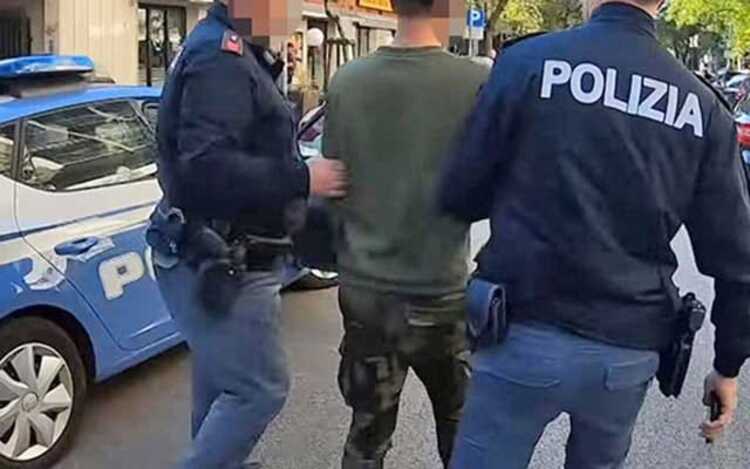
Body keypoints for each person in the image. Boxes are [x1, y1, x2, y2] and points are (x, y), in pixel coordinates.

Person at [439, 1, 750, 468]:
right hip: (625, 352)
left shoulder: (525, 63)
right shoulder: (701, 106)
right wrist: (727, 365)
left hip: (520, 333)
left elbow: (460, 194)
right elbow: (737, 260)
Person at [147, 1, 346, 468]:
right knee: (258, 389)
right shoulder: (222, 58)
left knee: (220, 381)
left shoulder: (233, 49)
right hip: (226, 256)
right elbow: (206, 169)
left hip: (216, 250)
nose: (294, 11)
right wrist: (303, 178)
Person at [322, 0, 489, 467]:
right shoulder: (475, 82)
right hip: (442, 292)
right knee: (461, 429)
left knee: (367, 435)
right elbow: (490, 186)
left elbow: (333, 185)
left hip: (367, 294)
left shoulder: (347, 81)